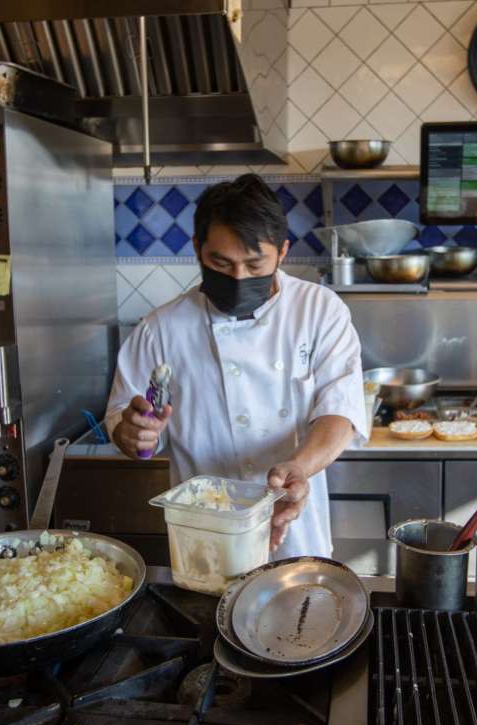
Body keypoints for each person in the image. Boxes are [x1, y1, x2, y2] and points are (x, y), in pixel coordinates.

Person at [105, 174, 368, 558]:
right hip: (204, 534)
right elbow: (122, 417)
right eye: (220, 263)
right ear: (197, 249)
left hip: (292, 526)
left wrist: (299, 466)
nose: (239, 278)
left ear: (282, 252)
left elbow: (340, 411)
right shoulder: (161, 329)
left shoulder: (319, 310)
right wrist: (132, 434)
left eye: (255, 264)